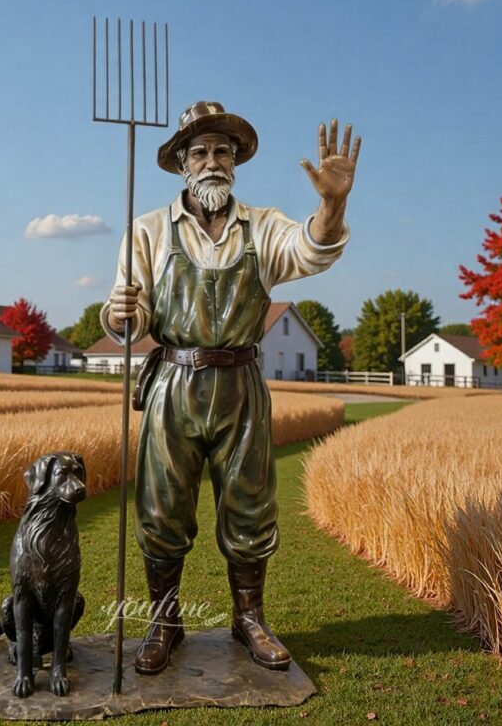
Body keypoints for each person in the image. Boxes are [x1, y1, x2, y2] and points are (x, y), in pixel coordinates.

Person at [100, 101, 361, 675]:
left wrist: (332, 202)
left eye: (223, 150)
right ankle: (164, 623)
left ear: (236, 160)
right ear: (181, 164)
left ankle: (249, 621)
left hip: (241, 385)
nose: (212, 160)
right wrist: (119, 314)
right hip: (173, 383)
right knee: (161, 510)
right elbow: (132, 318)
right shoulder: (144, 230)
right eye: (200, 151)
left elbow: (312, 251)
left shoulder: (263, 226)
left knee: (249, 507)